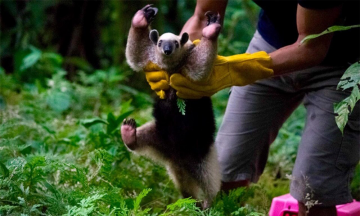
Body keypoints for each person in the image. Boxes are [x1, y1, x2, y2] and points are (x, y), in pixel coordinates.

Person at [144, 1, 360, 215]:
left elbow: (311, 47)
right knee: (222, 170)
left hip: (342, 64)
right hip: (271, 43)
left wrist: (238, 70)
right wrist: (177, 64)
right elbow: (202, 17)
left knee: (314, 192)